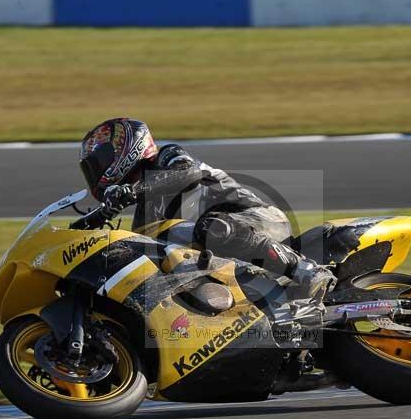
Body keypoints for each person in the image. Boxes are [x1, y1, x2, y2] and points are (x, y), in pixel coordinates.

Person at [78, 117, 336, 301]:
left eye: (100, 161)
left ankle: (307, 271)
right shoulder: (144, 217)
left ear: (125, 147)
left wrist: (133, 191)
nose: (98, 171)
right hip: (229, 255)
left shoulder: (167, 157)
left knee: (211, 227)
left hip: (260, 221)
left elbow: (187, 173)